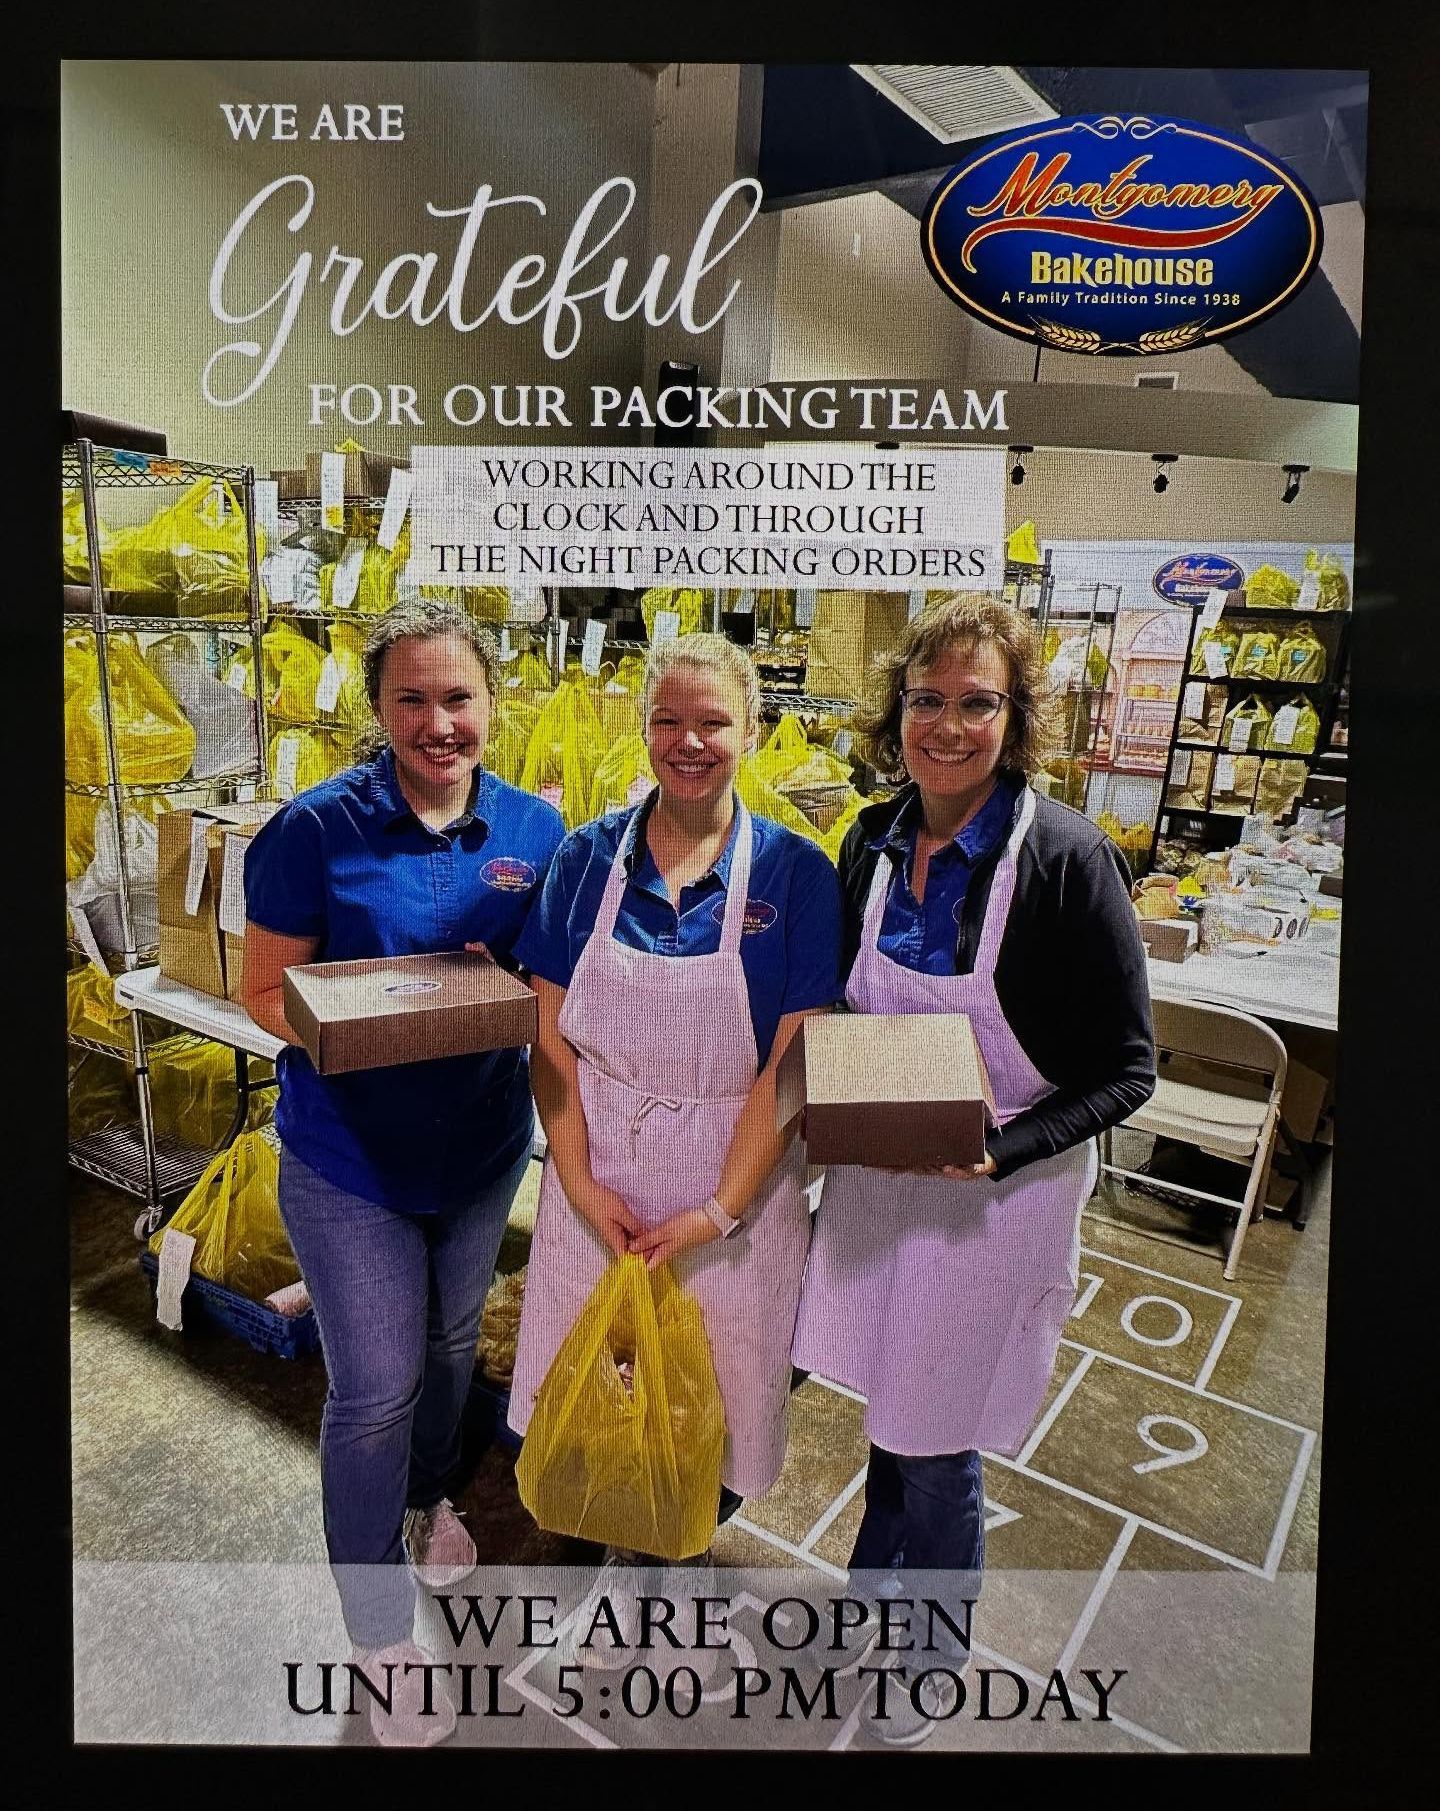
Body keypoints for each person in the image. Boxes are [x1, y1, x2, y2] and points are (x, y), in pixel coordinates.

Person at [791, 593, 1155, 1746]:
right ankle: (869, 1593)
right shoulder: (868, 836)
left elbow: (1129, 1070)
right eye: (928, 701)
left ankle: (932, 1648)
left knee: (937, 1435)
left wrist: (1001, 1145)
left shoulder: (1064, 858)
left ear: (1016, 716)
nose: (947, 726)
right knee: (892, 1411)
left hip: (993, 1201)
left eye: (978, 704)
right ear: (897, 709)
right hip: (883, 1177)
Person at [241, 599, 565, 1746]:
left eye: (459, 697)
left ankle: (430, 1501)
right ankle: (378, 1630)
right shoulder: (315, 827)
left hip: (477, 1154)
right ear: (379, 708)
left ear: (493, 702)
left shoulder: (538, 827)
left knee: (443, 1349)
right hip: (350, 1159)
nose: (439, 721)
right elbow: (262, 992)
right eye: (413, 698)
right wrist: (390, 1011)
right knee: (373, 1385)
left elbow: (551, 981)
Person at [508, 632, 843, 1597]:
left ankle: (668, 1549)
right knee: (594, 1386)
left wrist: (719, 1210)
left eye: (713, 722)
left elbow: (787, 1069)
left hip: (731, 1190)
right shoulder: (583, 860)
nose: (688, 741)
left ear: (754, 729)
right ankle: (616, 1537)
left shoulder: (796, 874)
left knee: (716, 1404)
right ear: (643, 727)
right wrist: (577, 1180)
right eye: (668, 720)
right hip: (595, 1177)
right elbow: (550, 1038)